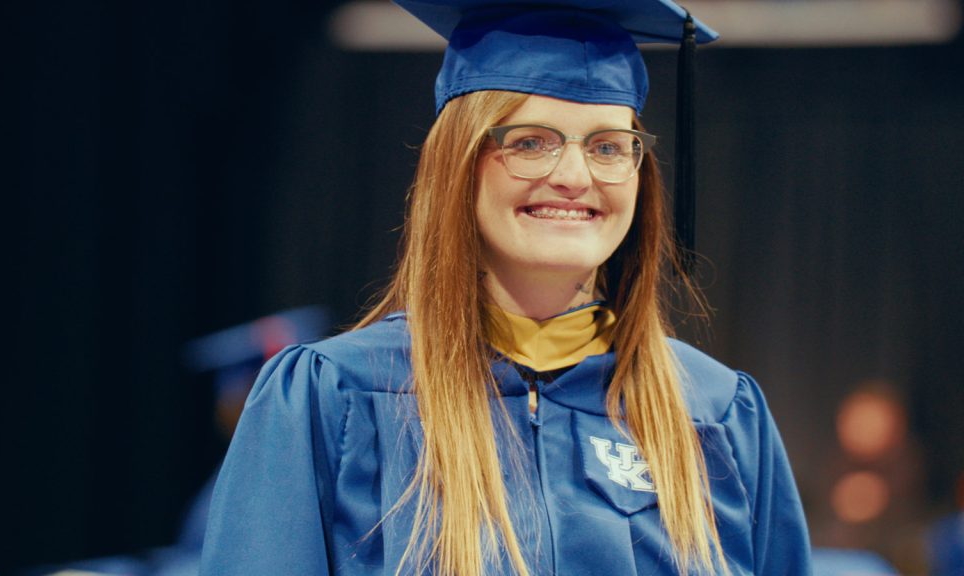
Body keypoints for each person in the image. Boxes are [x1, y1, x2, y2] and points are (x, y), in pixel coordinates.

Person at [201, 1, 813, 574]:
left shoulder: (715, 414)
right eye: (530, 142)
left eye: (608, 146)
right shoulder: (338, 397)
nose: (574, 176)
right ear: (458, 165)